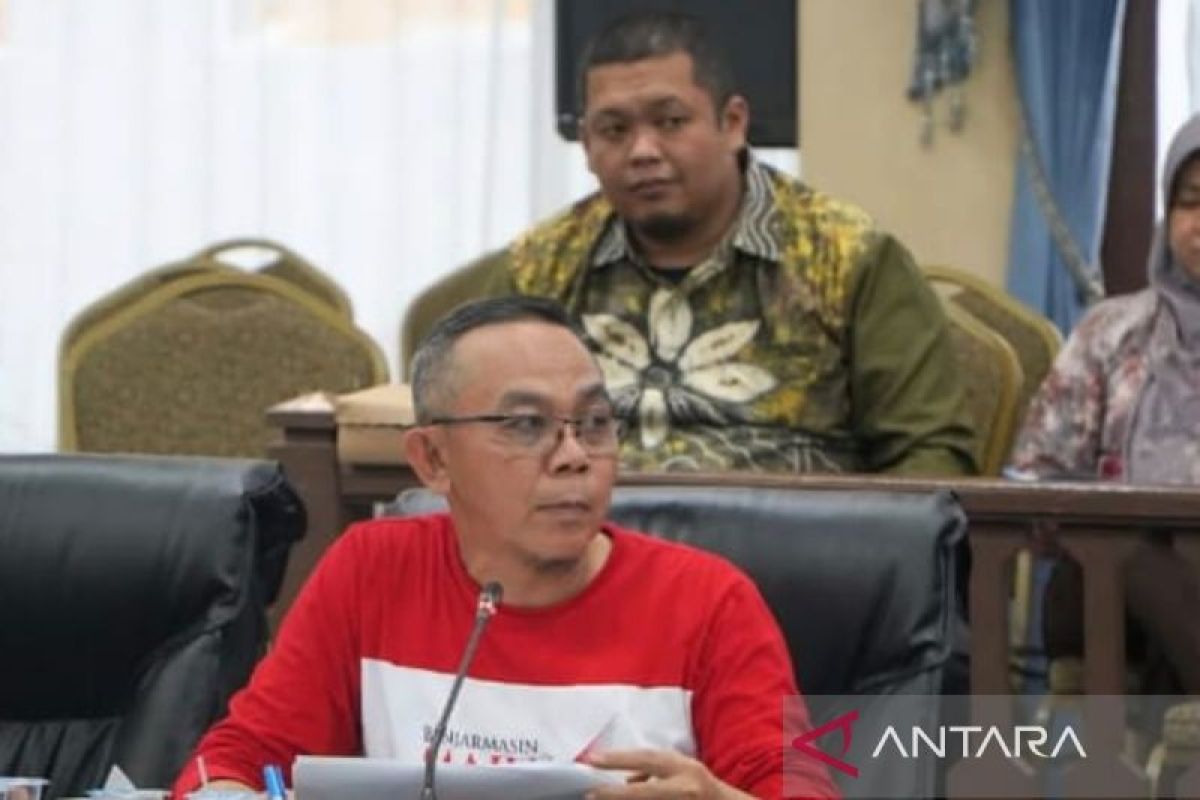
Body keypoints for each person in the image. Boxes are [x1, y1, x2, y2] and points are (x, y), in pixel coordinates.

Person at [172, 296, 836, 800]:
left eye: (594, 423)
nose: (573, 456)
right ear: (433, 459)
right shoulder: (372, 570)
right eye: (525, 425)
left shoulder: (708, 601)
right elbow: (238, 757)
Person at [403, 11, 976, 476]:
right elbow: (476, 437)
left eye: (671, 122)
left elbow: (931, 457)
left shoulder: (846, 259)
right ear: (586, 145)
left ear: (733, 123)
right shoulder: (541, 268)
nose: (643, 151)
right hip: (583, 556)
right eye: (614, 130)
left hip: (791, 564)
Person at [1009, 112, 1200, 692]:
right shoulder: (1111, 332)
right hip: (1103, 588)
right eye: (1191, 201)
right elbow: (1034, 482)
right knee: (1128, 549)